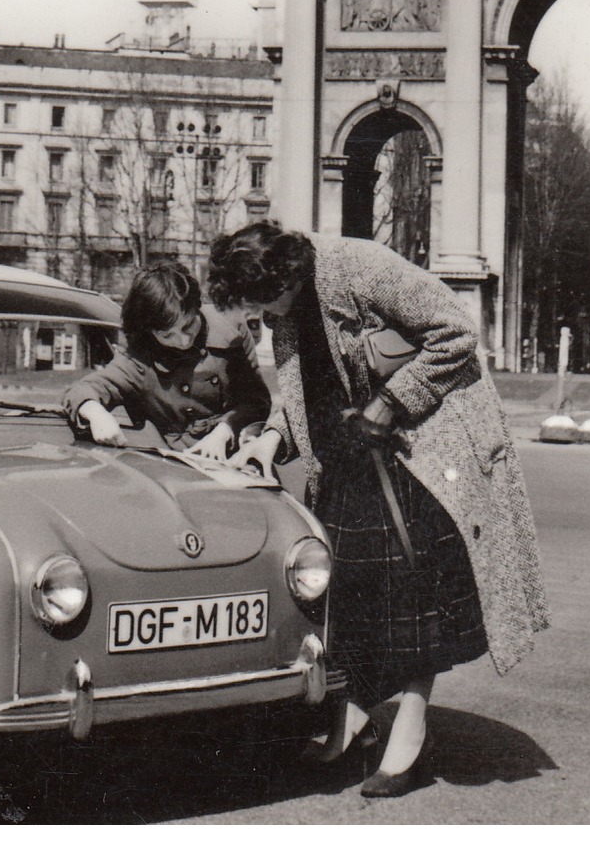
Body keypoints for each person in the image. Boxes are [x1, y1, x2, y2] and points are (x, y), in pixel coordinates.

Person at [209, 222, 548, 798]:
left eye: (264, 302)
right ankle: (356, 716)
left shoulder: (361, 269)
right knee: (352, 589)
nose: (262, 317)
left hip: (424, 450)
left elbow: (456, 332)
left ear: (286, 276)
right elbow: (304, 393)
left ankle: (411, 733)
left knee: (414, 594)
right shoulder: (287, 307)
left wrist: (388, 405)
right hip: (352, 456)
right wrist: (268, 440)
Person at [64, 261, 270, 459]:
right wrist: (96, 413)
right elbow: (83, 390)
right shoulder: (139, 358)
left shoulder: (231, 330)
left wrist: (225, 429)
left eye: (188, 325)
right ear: (149, 331)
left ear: (197, 307)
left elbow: (256, 401)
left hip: (239, 455)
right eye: (167, 335)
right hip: (176, 466)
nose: (184, 340)